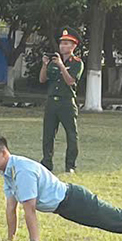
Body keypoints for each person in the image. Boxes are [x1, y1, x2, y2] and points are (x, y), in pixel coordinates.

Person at [40, 31, 84, 172]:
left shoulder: (77, 63)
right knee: (48, 134)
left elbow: (70, 81)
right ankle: (46, 163)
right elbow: (42, 79)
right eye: (61, 43)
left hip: (66, 102)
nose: (62, 46)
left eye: (66, 43)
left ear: (73, 46)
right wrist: (45, 65)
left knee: (71, 135)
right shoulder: (53, 62)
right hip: (52, 102)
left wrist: (61, 65)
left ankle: (70, 165)